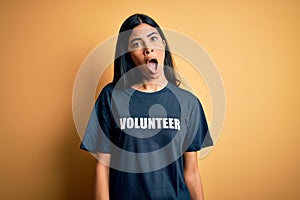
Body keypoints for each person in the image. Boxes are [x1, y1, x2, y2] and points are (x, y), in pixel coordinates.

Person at [80, 13, 213, 200]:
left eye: (153, 39)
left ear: (163, 45)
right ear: (127, 54)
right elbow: (103, 166)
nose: (148, 49)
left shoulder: (188, 103)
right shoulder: (111, 97)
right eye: (136, 44)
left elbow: (191, 172)